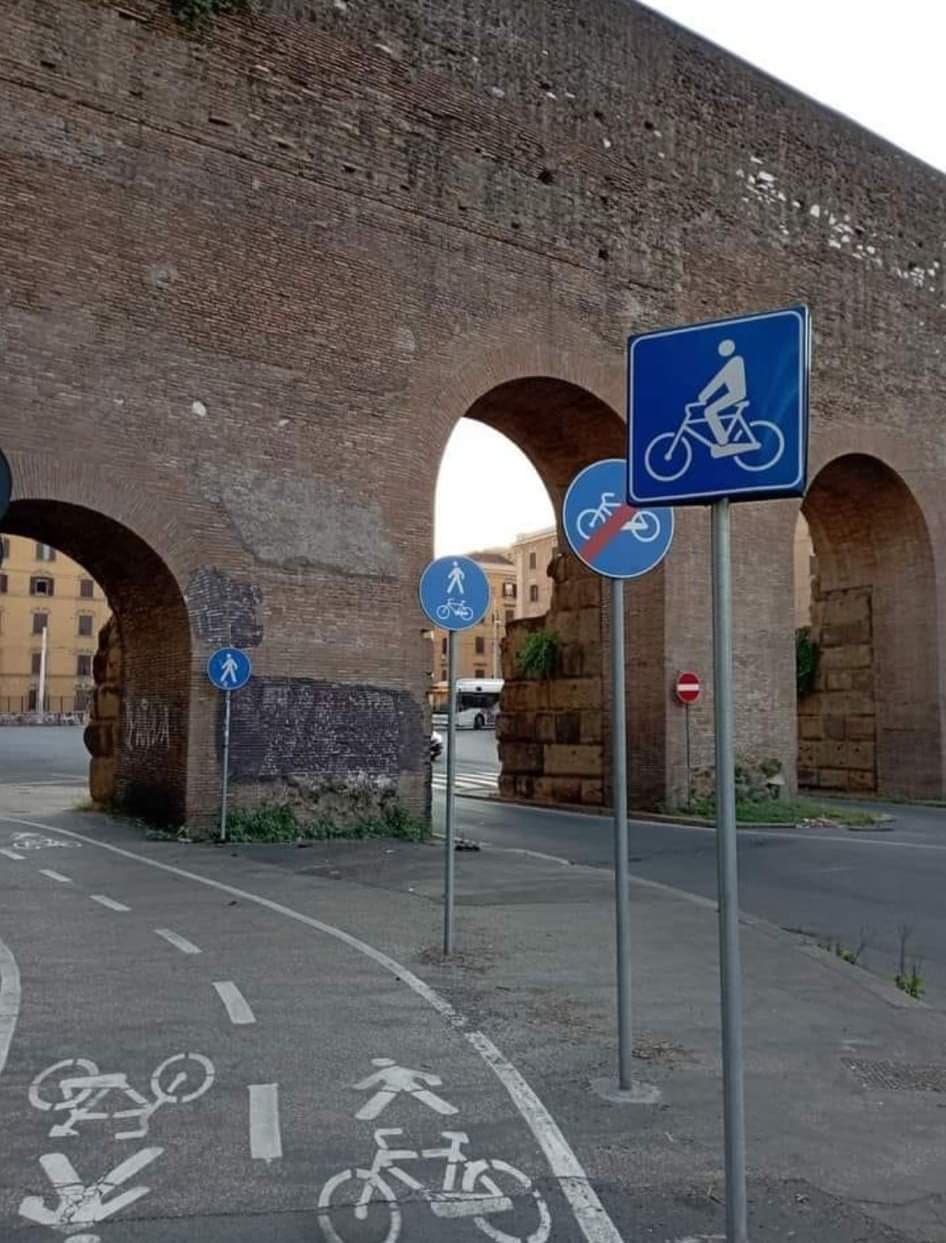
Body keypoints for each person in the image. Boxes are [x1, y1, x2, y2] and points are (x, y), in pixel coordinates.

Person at [698, 339, 747, 457]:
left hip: (737, 394)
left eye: (723, 348)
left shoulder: (735, 361)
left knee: (709, 411)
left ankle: (723, 443)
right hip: (734, 394)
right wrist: (704, 395)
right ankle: (723, 440)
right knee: (711, 411)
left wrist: (704, 395)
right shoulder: (731, 362)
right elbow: (718, 381)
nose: (721, 351)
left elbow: (718, 380)